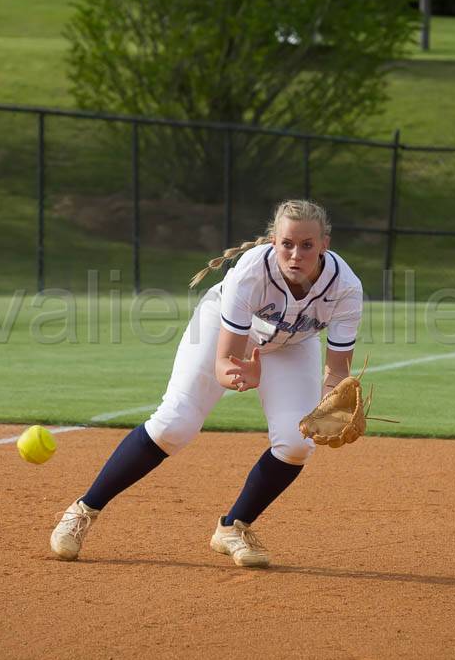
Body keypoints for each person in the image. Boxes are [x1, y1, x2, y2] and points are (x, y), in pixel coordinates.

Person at [50, 199, 363, 567]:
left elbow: (338, 370)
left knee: (297, 442)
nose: (296, 254)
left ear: (324, 243)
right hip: (224, 330)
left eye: (307, 245)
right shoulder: (252, 272)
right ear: (274, 242)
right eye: (287, 244)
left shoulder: (345, 287)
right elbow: (224, 361)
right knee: (175, 424)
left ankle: (233, 527)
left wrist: (332, 404)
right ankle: (83, 510)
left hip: (290, 345)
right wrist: (239, 374)